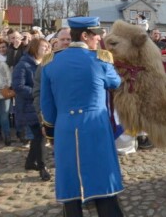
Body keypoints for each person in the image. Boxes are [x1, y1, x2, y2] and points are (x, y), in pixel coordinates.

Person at [40, 17, 124, 216]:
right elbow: (116, 83)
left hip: (65, 129)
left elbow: (47, 106)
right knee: (103, 183)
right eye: (96, 35)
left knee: (70, 183)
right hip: (96, 127)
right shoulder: (100, 59)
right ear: (85, 36)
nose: (98, 40)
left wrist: (51, 134)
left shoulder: (50, 62)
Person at [12, 38, 52, 181]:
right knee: (40, 136)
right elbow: (18, 86)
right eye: (44, 47)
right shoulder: (23, 65)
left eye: (48, 47)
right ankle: (42, 167)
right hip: (28, 107)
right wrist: (38, 92)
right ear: (35, 48)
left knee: (38, 137)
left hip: (40, 106)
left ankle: (30, 162)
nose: (47, 49)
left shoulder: (45, 64)